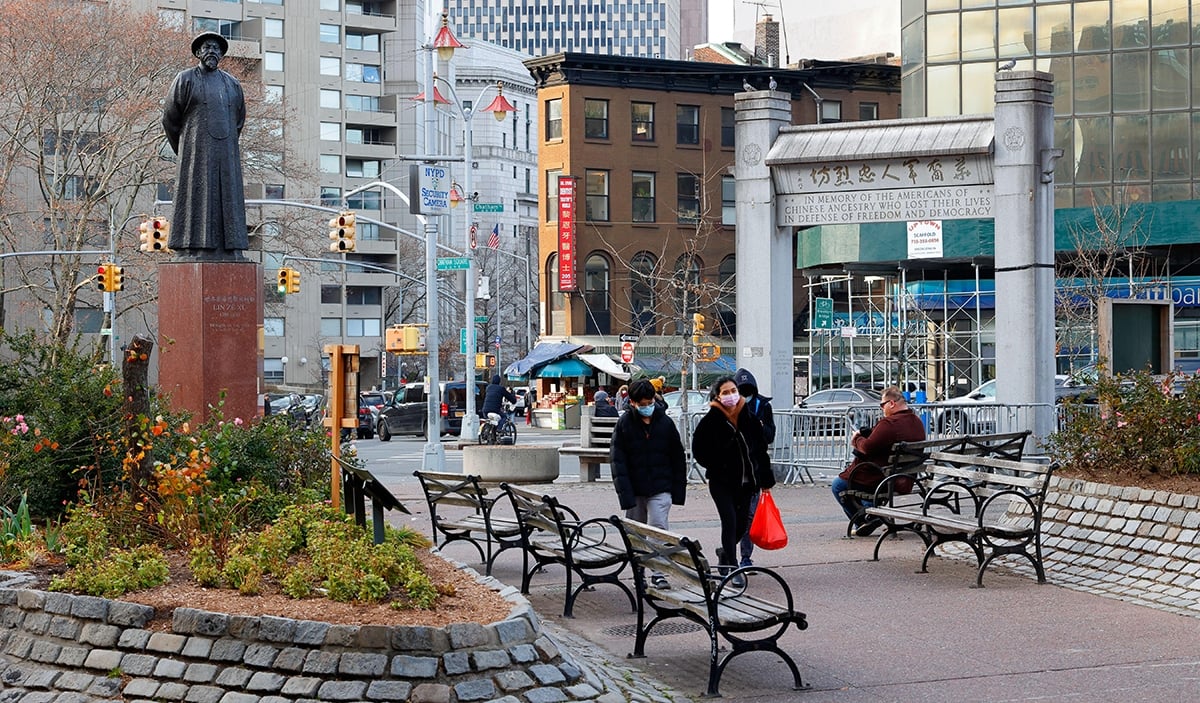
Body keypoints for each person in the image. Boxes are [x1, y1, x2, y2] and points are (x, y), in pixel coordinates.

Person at [162, 32, 249, 260]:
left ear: (221, 54)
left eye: (216, 48)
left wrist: (227, 147)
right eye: (207, 47)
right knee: (195, 200)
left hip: (226, 154)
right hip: (196, 154)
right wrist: (186, 151)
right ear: (198, 52)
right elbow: (170, 119)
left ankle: (231, 249)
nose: (212, 51)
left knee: (228, 198)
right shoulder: (185, 79)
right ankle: (193, 248)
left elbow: (239, 120)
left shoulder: (233, 84)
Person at [691, 375, 775, 584]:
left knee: (741, 525)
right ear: (718, 397)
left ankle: (724, 553)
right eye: (725, 392)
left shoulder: (749, 418)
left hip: (747, 482)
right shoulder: (711, 420)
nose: (731, 395)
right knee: (729, 521)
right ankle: (732, 567)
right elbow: (699, 450)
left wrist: (765, 479)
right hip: (722, 482)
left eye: (733, 391)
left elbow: (760, 450)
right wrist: (718, 464)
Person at [610, 379, 687, 589]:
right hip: (635, 489)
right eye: (642, 403)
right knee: (637, 532)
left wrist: (677, 490)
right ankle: (639, 570)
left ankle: (658, 572)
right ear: (633, 402)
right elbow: (618, 461)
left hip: (660, 486)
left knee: (659, 527)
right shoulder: (625, 423)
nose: (647, 407)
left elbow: (677, 457)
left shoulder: (665, 423)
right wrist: (625, 495)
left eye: (649, 401)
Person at [833, 386, 926, 537]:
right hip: (905, 477)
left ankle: (864, 521)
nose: (882, 408)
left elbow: (867, 447)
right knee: (859, 483)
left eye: (882, 405)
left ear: (891, 403)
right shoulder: (916, 421)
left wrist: (856, 438)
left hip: (885, 479)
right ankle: (871, 514)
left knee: (838, 484)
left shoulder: (889, 424)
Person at [733, 368, 775, 568]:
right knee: (733, 516)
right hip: (733, 470)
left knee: (750, 515)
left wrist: (759, 426)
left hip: (755, 469)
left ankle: (745, 558)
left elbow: (770, 436)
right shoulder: (729, 407)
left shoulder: (763, 406)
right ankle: (729, 553)